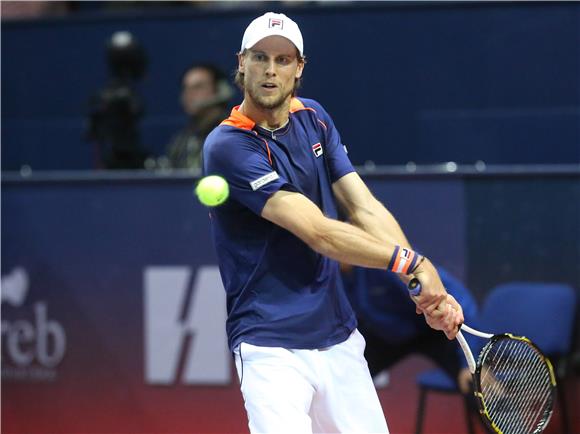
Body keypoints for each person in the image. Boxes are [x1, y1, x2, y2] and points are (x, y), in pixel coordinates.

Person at [203, 12, 464, 433]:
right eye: (260, 57)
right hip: (270, 348)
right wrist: (411, 265)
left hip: (338, 337)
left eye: (284, 60)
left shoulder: (315, 118)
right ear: (241, 63)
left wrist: (416, 285)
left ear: (299, 68)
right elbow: (318, 232)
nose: (271, 70)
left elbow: (363, 208)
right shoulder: (227, 145)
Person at [341, 264, 478, 395]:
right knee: (345, 381)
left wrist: (469, 362)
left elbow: (460, 301)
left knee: (474, 380)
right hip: (385, 334)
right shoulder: (330, 273)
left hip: (434, 331)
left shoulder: (385, 258)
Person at [164, 64, 232, 169]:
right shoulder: (181, 141)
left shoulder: (233, 135)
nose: (189, 94)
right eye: (185, 88)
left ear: (219, 90)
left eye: (198, 87)